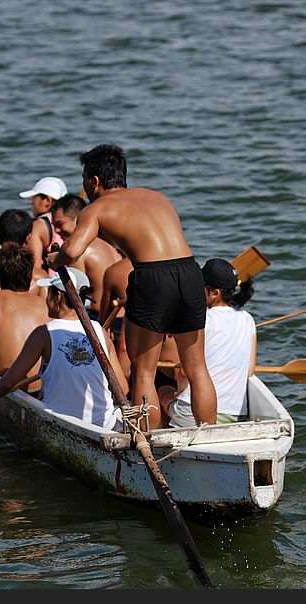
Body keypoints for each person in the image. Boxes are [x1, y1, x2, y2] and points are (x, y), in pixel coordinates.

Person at [48, 144, 216, 429]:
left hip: (152, 277)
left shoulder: (96, 209)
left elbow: (73, 251)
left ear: (94, 181)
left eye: (84, 182)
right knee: (197, 367)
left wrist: (56, 257)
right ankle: (209, 436)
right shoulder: (158, 197)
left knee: (144, 372)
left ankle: (148, 440)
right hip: (190, 271)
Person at [0, 268, 128, 429]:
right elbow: (123, 388)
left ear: (57, 297)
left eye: (48, 292)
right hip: (106, 424)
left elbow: (8, 382)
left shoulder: (44, 333)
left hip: (63, 426)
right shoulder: (101, 331)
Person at [159, 258, 256, 427]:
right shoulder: (247, 319)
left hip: (194, 413)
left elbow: (184, 373)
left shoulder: (202, 320)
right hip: (234, 414)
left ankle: (161, 436)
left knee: (162, 389)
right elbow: (249, 370)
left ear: (215, 293)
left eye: (198, 287)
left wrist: (176, 395)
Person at [0, 243, 49, 378]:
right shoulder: (47, 305)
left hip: (11, 385)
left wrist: (0, 355)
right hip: (46, 387)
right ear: (30, 275)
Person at [50, 194, 121, 318]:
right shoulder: (107, 241)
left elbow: (73, 295)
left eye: (59, 224)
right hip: (121, 314)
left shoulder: (77, 250)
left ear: (78, 218)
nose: (55, 230)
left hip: (100, 317)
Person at [19, 176, 67, 279]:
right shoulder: (70, 221)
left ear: (47, 201)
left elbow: (35, 268)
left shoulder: (39, 225)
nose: (32, 203)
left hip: (50, 284)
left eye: (34, 198)